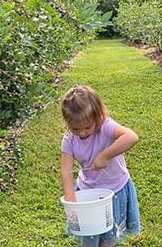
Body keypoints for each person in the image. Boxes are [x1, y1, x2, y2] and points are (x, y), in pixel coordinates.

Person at [60, 85, 141, 247]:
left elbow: (131, 137)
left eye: (87, 127)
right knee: (90, 232)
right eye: (76, 128)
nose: (82, 133)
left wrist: (105, 155)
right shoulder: (69, 140)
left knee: (109, 234)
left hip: (115, 189)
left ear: (98, 117)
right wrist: (71, 199)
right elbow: (66, 170)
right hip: (89, 190)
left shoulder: (106, 126)